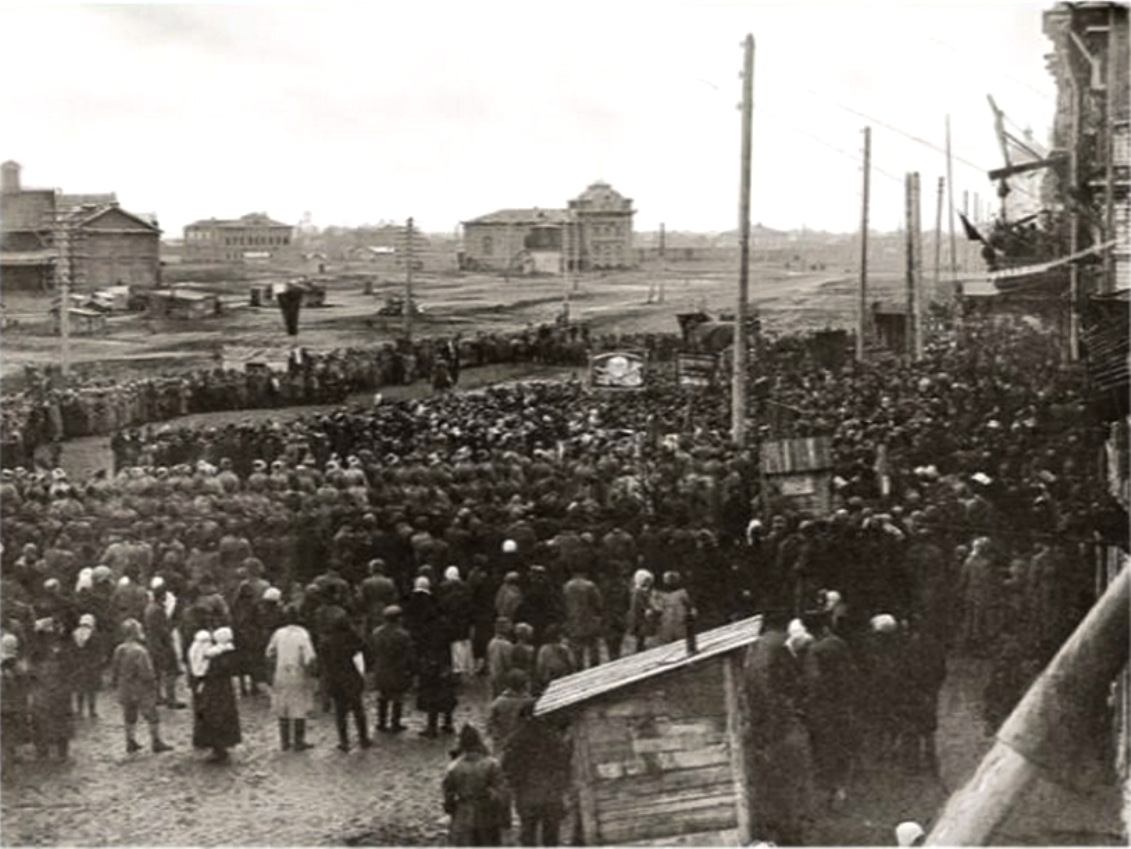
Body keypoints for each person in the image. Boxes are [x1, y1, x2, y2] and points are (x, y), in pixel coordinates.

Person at [501, 704, 573, 847]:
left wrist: (515, 783)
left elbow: (506, 767)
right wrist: (562, 786)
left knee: (528, 832)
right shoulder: (553, 737)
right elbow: (565, 762)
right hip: (551, 794)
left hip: (526, 794)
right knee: (551, 834)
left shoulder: (515, 739)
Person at [110, 617, 173, 755]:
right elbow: (146, 672)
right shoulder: (140, 651)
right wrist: (154, 684)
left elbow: (114, 669)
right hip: (141, 688)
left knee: (129, 714)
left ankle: (130, 741)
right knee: (152, 715)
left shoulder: (119, 649)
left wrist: (117, 682)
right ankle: (156, 741)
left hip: (125, 686)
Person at [443, 723, 507, 847]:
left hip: (463, 812)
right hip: (486, 812)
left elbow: (448, 792)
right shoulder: (491, 764)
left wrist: (450, 809)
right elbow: (501, 791)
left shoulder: (455, 766)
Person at [264, 605, 318, 752]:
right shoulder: (302, 633)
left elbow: (269, 652)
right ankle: (298, 741)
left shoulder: (278, 633)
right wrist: (311, 674)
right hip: (297, 673)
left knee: (283, 706)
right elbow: (310, 657)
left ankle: (285, 741)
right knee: (299, 706)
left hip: (281, 673)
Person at [321, 615, 372, 752]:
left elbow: (324, 663)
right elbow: (366, 650)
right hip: (351, 675)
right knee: (358, 708)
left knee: (340, 711)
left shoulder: (327, 641)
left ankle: (344, 741)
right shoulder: (352, 638)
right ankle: (363, 738)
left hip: (335, 678)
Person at [27, 617, 75, 760]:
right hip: (51, 690)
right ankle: (55, 752)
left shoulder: (51, 649)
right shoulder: (43, 650)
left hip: (50, 691)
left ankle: (51, 752)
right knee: (54, 721)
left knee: (50, 721)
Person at [192, 626, 242, 763]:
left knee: (213, 715)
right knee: (221, 715)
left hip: (213, 689)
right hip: (222, 690)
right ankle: (222, 746)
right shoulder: (224, 654)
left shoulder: (211, 654)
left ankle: (217, 747)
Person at [369, 604, 414, 734]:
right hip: (397, 669)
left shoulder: (376, 632)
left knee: (383, 696)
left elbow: (371, 650)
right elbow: (408, 654)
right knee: (397, 697)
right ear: (399, 618)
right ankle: (395, 723)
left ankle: (381, 723)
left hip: (381, 668)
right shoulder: (403, 635)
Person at [71, 613, 103, 719]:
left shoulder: (74, 634)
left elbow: (72, 651)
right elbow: (98, 651)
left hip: (78, 664)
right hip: (92, 665)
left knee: (80, 689)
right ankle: (92, 710)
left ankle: (80, 710)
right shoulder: (95, 635)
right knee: (91, 690)